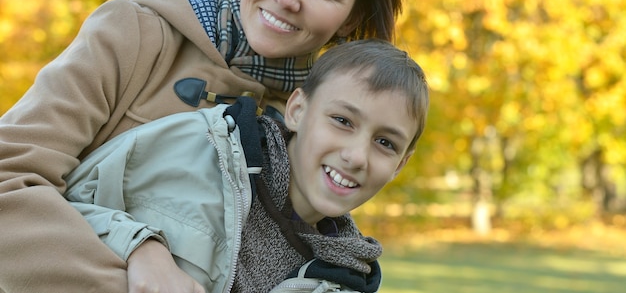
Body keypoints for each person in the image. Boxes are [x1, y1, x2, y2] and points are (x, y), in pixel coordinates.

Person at [0, 0, 404, 293]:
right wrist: (134, 264)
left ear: (352, 18)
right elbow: (10, 178)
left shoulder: (319, 122)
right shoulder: (134, 34)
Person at [62, 39, 429, 293]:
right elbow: (63, 207)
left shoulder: (344, 278)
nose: (356, 156)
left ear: (400, 164)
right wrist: (139, 247)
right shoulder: (199, 144)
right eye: (342, 121)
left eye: (385, 143)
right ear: (298, 110)